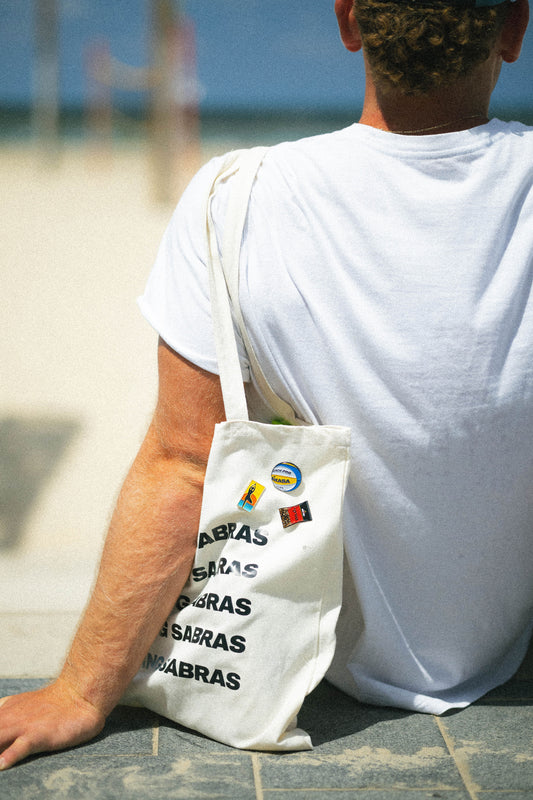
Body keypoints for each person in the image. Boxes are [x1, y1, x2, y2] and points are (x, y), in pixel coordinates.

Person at [0, 0, 531, 769]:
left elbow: (183, 466)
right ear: (512, 28)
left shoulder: (236, 199)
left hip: (312, 670)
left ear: (348, 22)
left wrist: (80, 693)